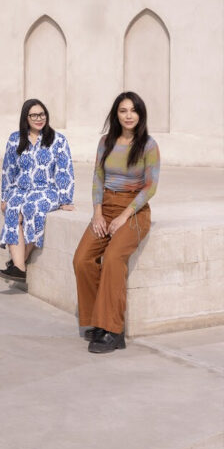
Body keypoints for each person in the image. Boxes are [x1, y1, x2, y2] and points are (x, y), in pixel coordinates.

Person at [73, 92, 160, 353]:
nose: (129, 115)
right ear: (116, 114)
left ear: (141, 114)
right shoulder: (105, 143)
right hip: (105, 208)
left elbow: (150, 187)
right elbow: (97, 179)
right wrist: (98, 213)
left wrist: (124, 216)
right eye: (123, 110)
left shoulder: (148, 145)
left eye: (133, 110)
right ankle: (95, 322)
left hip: (134, 211)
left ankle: (113, 330)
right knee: (82, 259)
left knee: (112, 258)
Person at [0, 99, 74, 282]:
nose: (39, 118)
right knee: (13, 210)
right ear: (26, 117)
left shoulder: (58, 140)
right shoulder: (14, 139)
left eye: (42, 114)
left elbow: (65, 170)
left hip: (47, 191)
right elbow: (8, 170)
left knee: (33, 210)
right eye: (34, 115)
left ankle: (17, 265)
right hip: (20, 189)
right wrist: (5, 196)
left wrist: (65, 199)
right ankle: (19, 267)